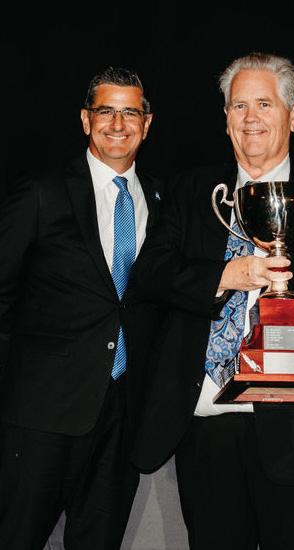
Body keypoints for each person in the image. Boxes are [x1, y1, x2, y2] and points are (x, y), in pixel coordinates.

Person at [131, 52, 294, 550]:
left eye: (264, 104)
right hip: (207, 425)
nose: (250, 118)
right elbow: (150, 276)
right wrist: (226, 275)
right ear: (225, 118)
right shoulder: (190, 192)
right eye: (238, 105)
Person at [0, 66, 164, 549]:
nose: (118, 124)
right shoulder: (42, 192)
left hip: (123, 414)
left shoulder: (162, 200)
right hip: (40, 415)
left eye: (130, 112)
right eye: (105, 111)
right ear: (85, 119)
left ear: (147, 123)